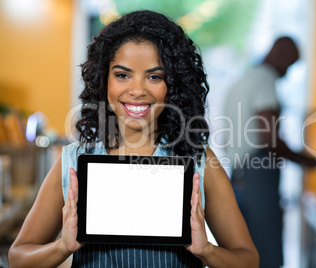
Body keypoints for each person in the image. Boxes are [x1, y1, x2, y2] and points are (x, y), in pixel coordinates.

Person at [8, 10, 259, 267]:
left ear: (174, 85)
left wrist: (207, 250)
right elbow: (18, 258)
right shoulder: (74, 160)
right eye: (122, 75)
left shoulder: (199, 161)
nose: (137, 90)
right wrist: (62, 247)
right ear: (103, 81)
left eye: (154, 77)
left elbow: (248, 260)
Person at [223, 36, 316, 268]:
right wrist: (303, 159)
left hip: (240, 173)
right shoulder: (265, 79)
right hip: (258, 172)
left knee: (244, 249)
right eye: (290, 64)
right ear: (280, 53)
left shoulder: (246, 78)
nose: (287, 72)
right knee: (267, 251)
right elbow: (270, 138)